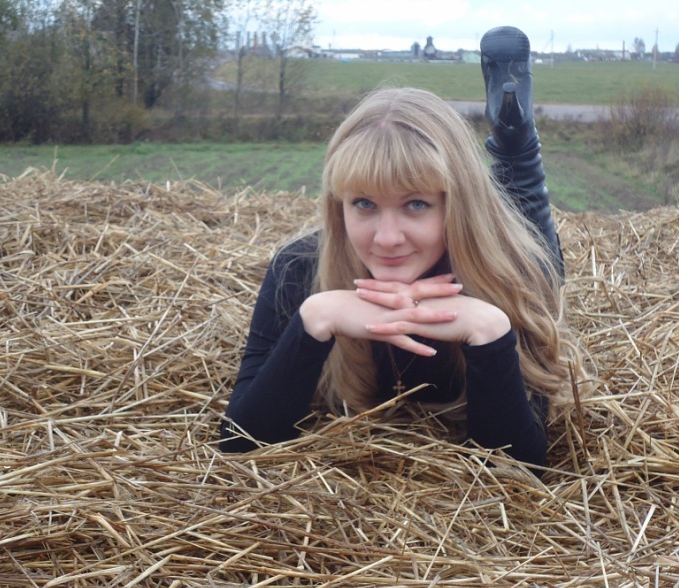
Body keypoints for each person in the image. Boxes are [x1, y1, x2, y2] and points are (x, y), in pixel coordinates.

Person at [220, 26, 583, 471]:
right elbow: (240, 444)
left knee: (532, 237)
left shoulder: (512, 273)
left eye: (416, 204)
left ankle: (515, 140)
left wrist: (489, 330)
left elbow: (519, 469)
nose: (387, 238)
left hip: (499, 250)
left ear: (456, 205)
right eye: (364, 203)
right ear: (338, 204)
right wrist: (315, 319)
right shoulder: (297, 269)